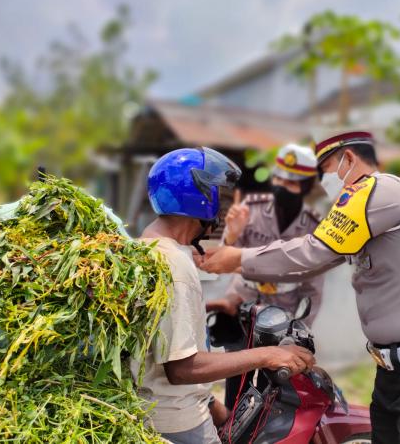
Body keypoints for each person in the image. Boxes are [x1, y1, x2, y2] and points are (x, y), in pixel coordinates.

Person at [198, 131, 400, 444]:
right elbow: (314, 263)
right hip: (396, 371)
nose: (325, 182)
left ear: (349, 159)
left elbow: (315, 251)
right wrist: (234, 261)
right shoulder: (370, 209)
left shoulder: (377, 190)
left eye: (326, 170)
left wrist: (238, 257)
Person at [130, 147, 315, 444]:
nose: (222, 205)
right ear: (200, 195)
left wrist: (214, 406)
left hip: (164, 408)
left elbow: (159, 341)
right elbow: (181, 368)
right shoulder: (175, 266)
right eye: (219, 193)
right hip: (178, 421)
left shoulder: (149, 247)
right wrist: (268, 355)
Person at [206, 143, 325, 410]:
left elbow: (314, 287)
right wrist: (232, 233)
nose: (283, 186)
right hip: (243, 305)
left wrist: (301, 329)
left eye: (292, 182)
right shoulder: (252, 209)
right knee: (237, 377)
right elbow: (227, 253)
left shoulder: (314, 226)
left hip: (282, 314)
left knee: (273, 385)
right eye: (279, 178)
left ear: (306, 186)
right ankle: (231, 433)